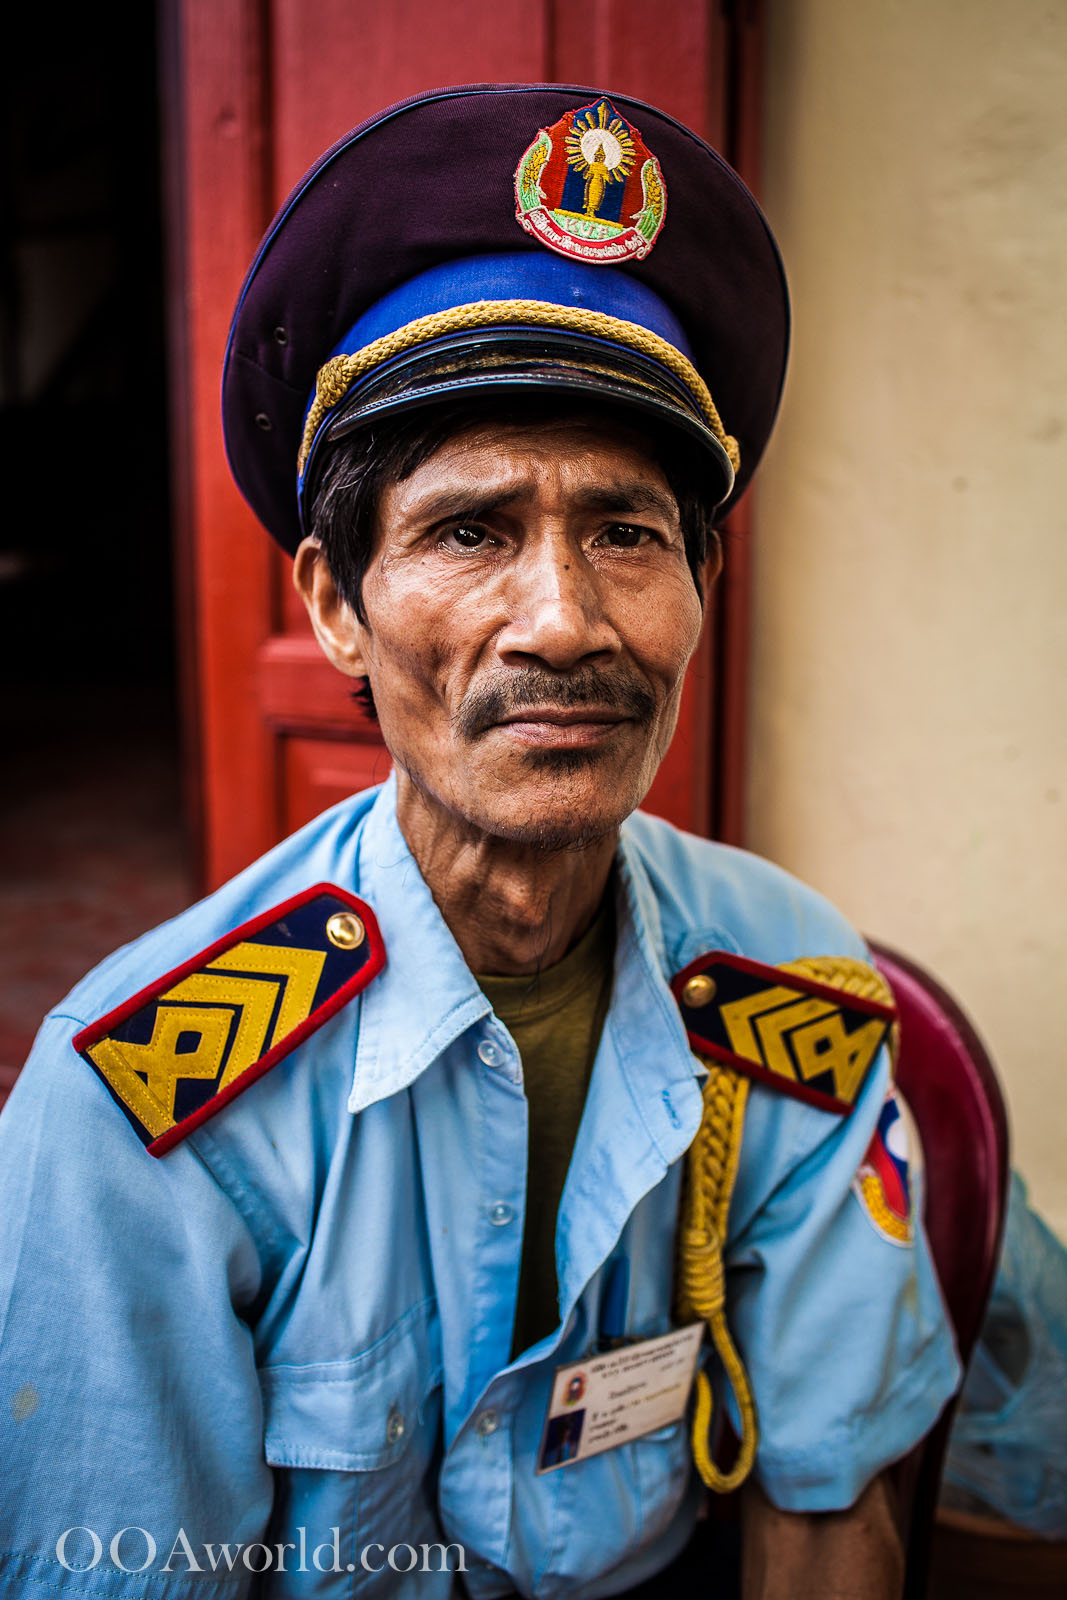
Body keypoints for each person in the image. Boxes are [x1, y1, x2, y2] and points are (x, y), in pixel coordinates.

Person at [0, 85, 960, 1598]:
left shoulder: (792, 985)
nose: (564, 623)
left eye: (629, 533)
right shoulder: (142, 1106)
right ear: (336, 607)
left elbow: (829, 1506)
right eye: (469, 531)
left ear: (702, 592)